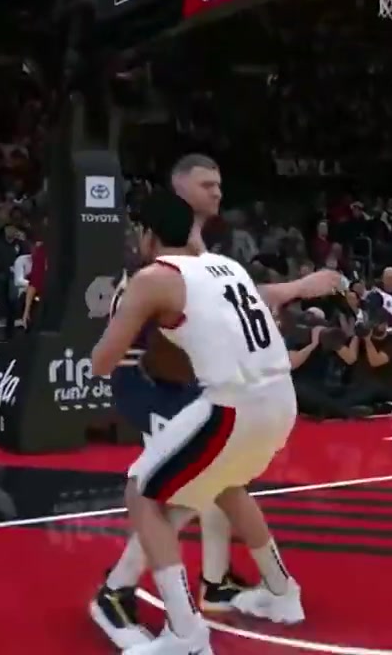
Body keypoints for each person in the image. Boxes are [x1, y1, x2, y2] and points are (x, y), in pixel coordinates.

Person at [90, 155, 341, 649]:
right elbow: (238, 307)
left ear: (146, 234)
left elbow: (104, 359)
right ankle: (271, 589)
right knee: (208, 487)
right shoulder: (216, 265)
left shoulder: (166, 272)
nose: (217, 192)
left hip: (223, 399)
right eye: (208, 184)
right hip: (263, 399)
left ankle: (182, 621)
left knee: (156, 491)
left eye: (218, 184)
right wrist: (298, 288)